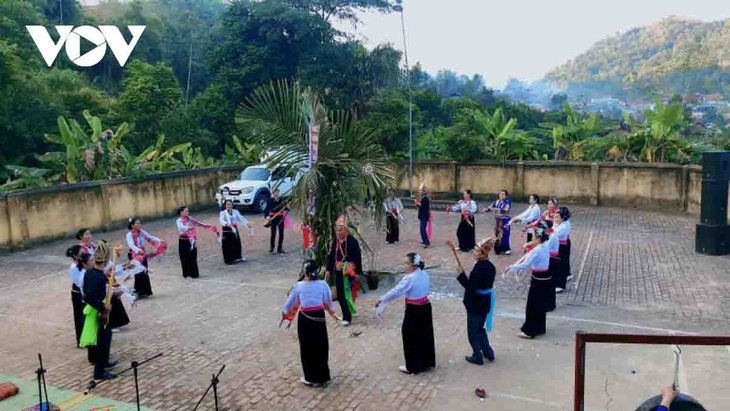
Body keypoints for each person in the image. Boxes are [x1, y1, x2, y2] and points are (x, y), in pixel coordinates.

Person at [375, 253, 436, 374]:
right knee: (425, 334)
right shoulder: (424, 274)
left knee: (409, 335)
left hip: (414, 309)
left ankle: (413, 366)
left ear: (413, 265)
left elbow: (396, 291)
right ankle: (427, 362)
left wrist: (382, 299)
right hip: (426, 306)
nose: (405, 266)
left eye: (407, 263)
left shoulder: (409, 278)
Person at [282, 260, 334, 387]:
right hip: (319, 317)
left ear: (305, 273)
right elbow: (329, 301)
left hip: (305, 319)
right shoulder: (323, 285)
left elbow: (289, 304)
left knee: (307, 347)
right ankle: (322, 376)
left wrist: (284, 312)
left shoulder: (299, 286)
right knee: (321, 346)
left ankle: (310, 377)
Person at [504, 225, 552, 339]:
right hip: (544, 277)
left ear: (539, 239)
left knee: (533, 305)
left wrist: (511, 267)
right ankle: (540, 327)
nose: (532, 240)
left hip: (538, 279)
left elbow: (525, 264)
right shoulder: (545, 246)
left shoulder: (537, 250)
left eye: (534, 237)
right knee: (540, 304)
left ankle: (530, 331)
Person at [456, 237, 497, 365]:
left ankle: (477, 355)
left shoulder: (479, 268)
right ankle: (488, 352)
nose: (474, 252)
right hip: (484, 302)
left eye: (477, 251)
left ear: (483, 253)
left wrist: (461, 274)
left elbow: (471, 286)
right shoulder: (490, 266)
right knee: (480, 328)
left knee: (473, 331)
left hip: (476, 304)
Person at [80, 242, 117, 381]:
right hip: (98, 312)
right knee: (103, 340)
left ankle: (104, 362)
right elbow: (88, 296)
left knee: (107, 336)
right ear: (106, 260)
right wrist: (103, 308)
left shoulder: (90, 273)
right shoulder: (98, 276)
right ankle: (99, 372)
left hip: (98, 310)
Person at [326, 215, 363, 326]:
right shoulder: (335, 242)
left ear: (346, 230)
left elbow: (357, 258)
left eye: (340, 229)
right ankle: (347, 314)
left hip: (348, 272)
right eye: (336, 230)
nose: (337, 232)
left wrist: (357, 273)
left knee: (346, 293)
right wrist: (328, 270)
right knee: (341, 294)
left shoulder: (352, 242)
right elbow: (331, 255)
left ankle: (347, 316)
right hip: (338, 271)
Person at [126, 217, 165, 298]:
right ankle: (136, 293)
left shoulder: (141, 232)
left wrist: (160, 241)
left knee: (144, 271)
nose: (139, 225)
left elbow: (150, 237)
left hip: (142, 254)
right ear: (132, 225)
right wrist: (138, 250)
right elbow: (131, 245)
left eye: (140, 223)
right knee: (138, 273)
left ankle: (145, 291)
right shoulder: (129, 234)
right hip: (134, 255)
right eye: (137, 223)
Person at [176, 206, 218, 278]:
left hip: (191, 240)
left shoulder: (190, 219)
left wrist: (208, 226)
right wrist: (189, 227)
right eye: (186, 211)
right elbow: (181, 228)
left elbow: (198, 223)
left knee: (193, 256)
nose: (187, 212)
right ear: (181, 212)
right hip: (184, 240)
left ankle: (194, 273)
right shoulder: (179, 220)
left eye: (188, 211)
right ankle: (187, 273)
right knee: (185, 257)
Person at [67, 245, 86, 347]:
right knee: (80, 316)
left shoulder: (81, 264)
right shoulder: (74, 267)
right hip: (78, 292)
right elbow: (79, 283)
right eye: (81, 253)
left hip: (83, 291)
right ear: (75, 255)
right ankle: (81, 340)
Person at [485, 190, 512, 255]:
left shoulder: (507, 202)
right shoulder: (497, 201)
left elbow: (505, 210)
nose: (501, 196)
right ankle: (498, 248)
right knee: (497, 234)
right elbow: (490, 207)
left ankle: (506, 249)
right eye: (500, 194)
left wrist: (495, 209)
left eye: (503, 194)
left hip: (505, 220)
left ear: (506, 196)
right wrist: (486, 210)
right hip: (498, 220)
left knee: (505, 234)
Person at [553, 207, 572, 293]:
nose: (555, 218)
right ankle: (560, 279)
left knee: (561, 265)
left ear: (563, 217)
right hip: (559, 244)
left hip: (562, 246)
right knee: (560, 264)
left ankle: (560, 285)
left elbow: (553, 234)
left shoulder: (564, 226)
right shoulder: (560, 223)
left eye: (557, 217)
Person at [265, 188, 289, 254]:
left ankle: (280, 248)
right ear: (273, 193)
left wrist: (287, 206)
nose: (276, 193)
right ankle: (272, 247)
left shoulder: (282, 201)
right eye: (275, 192)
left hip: (280, 218)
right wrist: (267, 216)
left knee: (281, 233)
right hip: (273, 218)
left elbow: (286, 209)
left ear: (279, 192)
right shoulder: (270, 201)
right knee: (273, 233)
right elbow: (266, 209)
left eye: (277, 192)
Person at [414, 184, 431, 248]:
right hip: (422, 215)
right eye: (419, 190)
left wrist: (418, 203)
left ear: (423, 191)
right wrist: (417, 203)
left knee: (423, 229)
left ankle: (427, 242)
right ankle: (424, 240)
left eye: (420, 190)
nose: (419, 191)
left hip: (424, 216)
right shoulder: (422, 198)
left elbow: (423, 207)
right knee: (421, 229)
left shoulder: (425, 198)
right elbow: (420, 206)